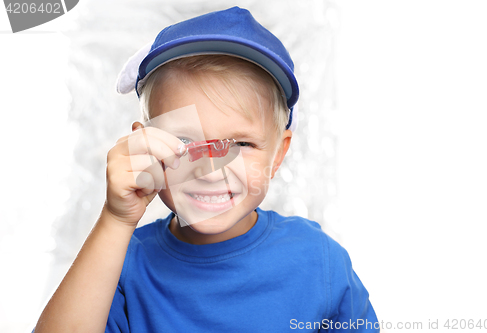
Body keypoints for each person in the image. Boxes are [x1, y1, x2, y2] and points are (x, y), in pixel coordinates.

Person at [34, 6, 379, 332]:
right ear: (145, 148)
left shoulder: (318, 261)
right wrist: (116, 218)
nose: (212, 170)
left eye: (241, 144)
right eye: (184, 141)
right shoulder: (119, 265)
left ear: (277, 155)